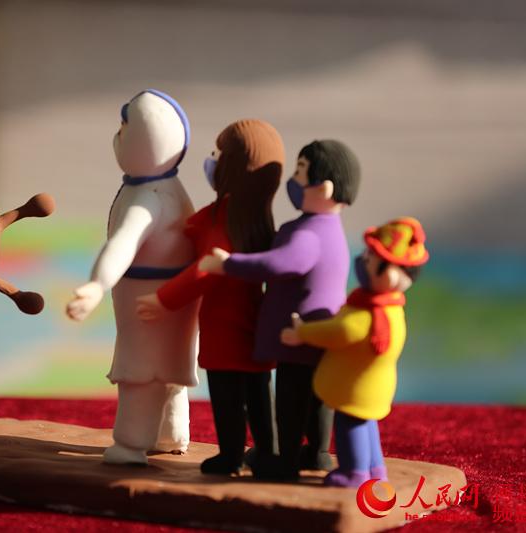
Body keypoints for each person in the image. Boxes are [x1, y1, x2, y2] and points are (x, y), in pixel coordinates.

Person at [199, 140, 361, 480]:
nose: (294, 179)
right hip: (320, 331)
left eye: (301, 171)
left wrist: (228, 263)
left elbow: (281, 263)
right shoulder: (330, 230)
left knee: (291, 400)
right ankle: (317, 453)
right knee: (317, 397)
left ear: (324, 187)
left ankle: (285, 462)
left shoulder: (309, 233)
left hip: (297, 336)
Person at [137, 119, 284, 475]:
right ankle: (269, 453)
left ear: (236, 167)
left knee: (228, 396)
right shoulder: (256, 216)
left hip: (224, 327)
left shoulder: (226, 218)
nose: (212, 160)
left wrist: (163, 299)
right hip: (253, 323)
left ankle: (232, 456)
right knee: (258, 394)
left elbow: (206, 268)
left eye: (219, 155)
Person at [66, 90, 198, 465]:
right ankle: (171, 434)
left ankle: (130, 444)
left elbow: (123, 243)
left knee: (141, 374)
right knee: (169, 371)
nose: (118, 135)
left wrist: (97, 284)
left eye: (125, 127)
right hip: (173, 298)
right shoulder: (171, 189)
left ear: (144, 138)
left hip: (148, 302)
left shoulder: (148, 198)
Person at [281, 217, 429, 487]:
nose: (363, 260)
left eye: (370, 258)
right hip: (372, 387)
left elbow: (339, 331)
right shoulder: (392, 309)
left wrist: (302, 332)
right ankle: (375, 469)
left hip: (354, 390)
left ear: (390, 275)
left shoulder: (367, 315)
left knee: (350, 426)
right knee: (366, 425)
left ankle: (354, 473)